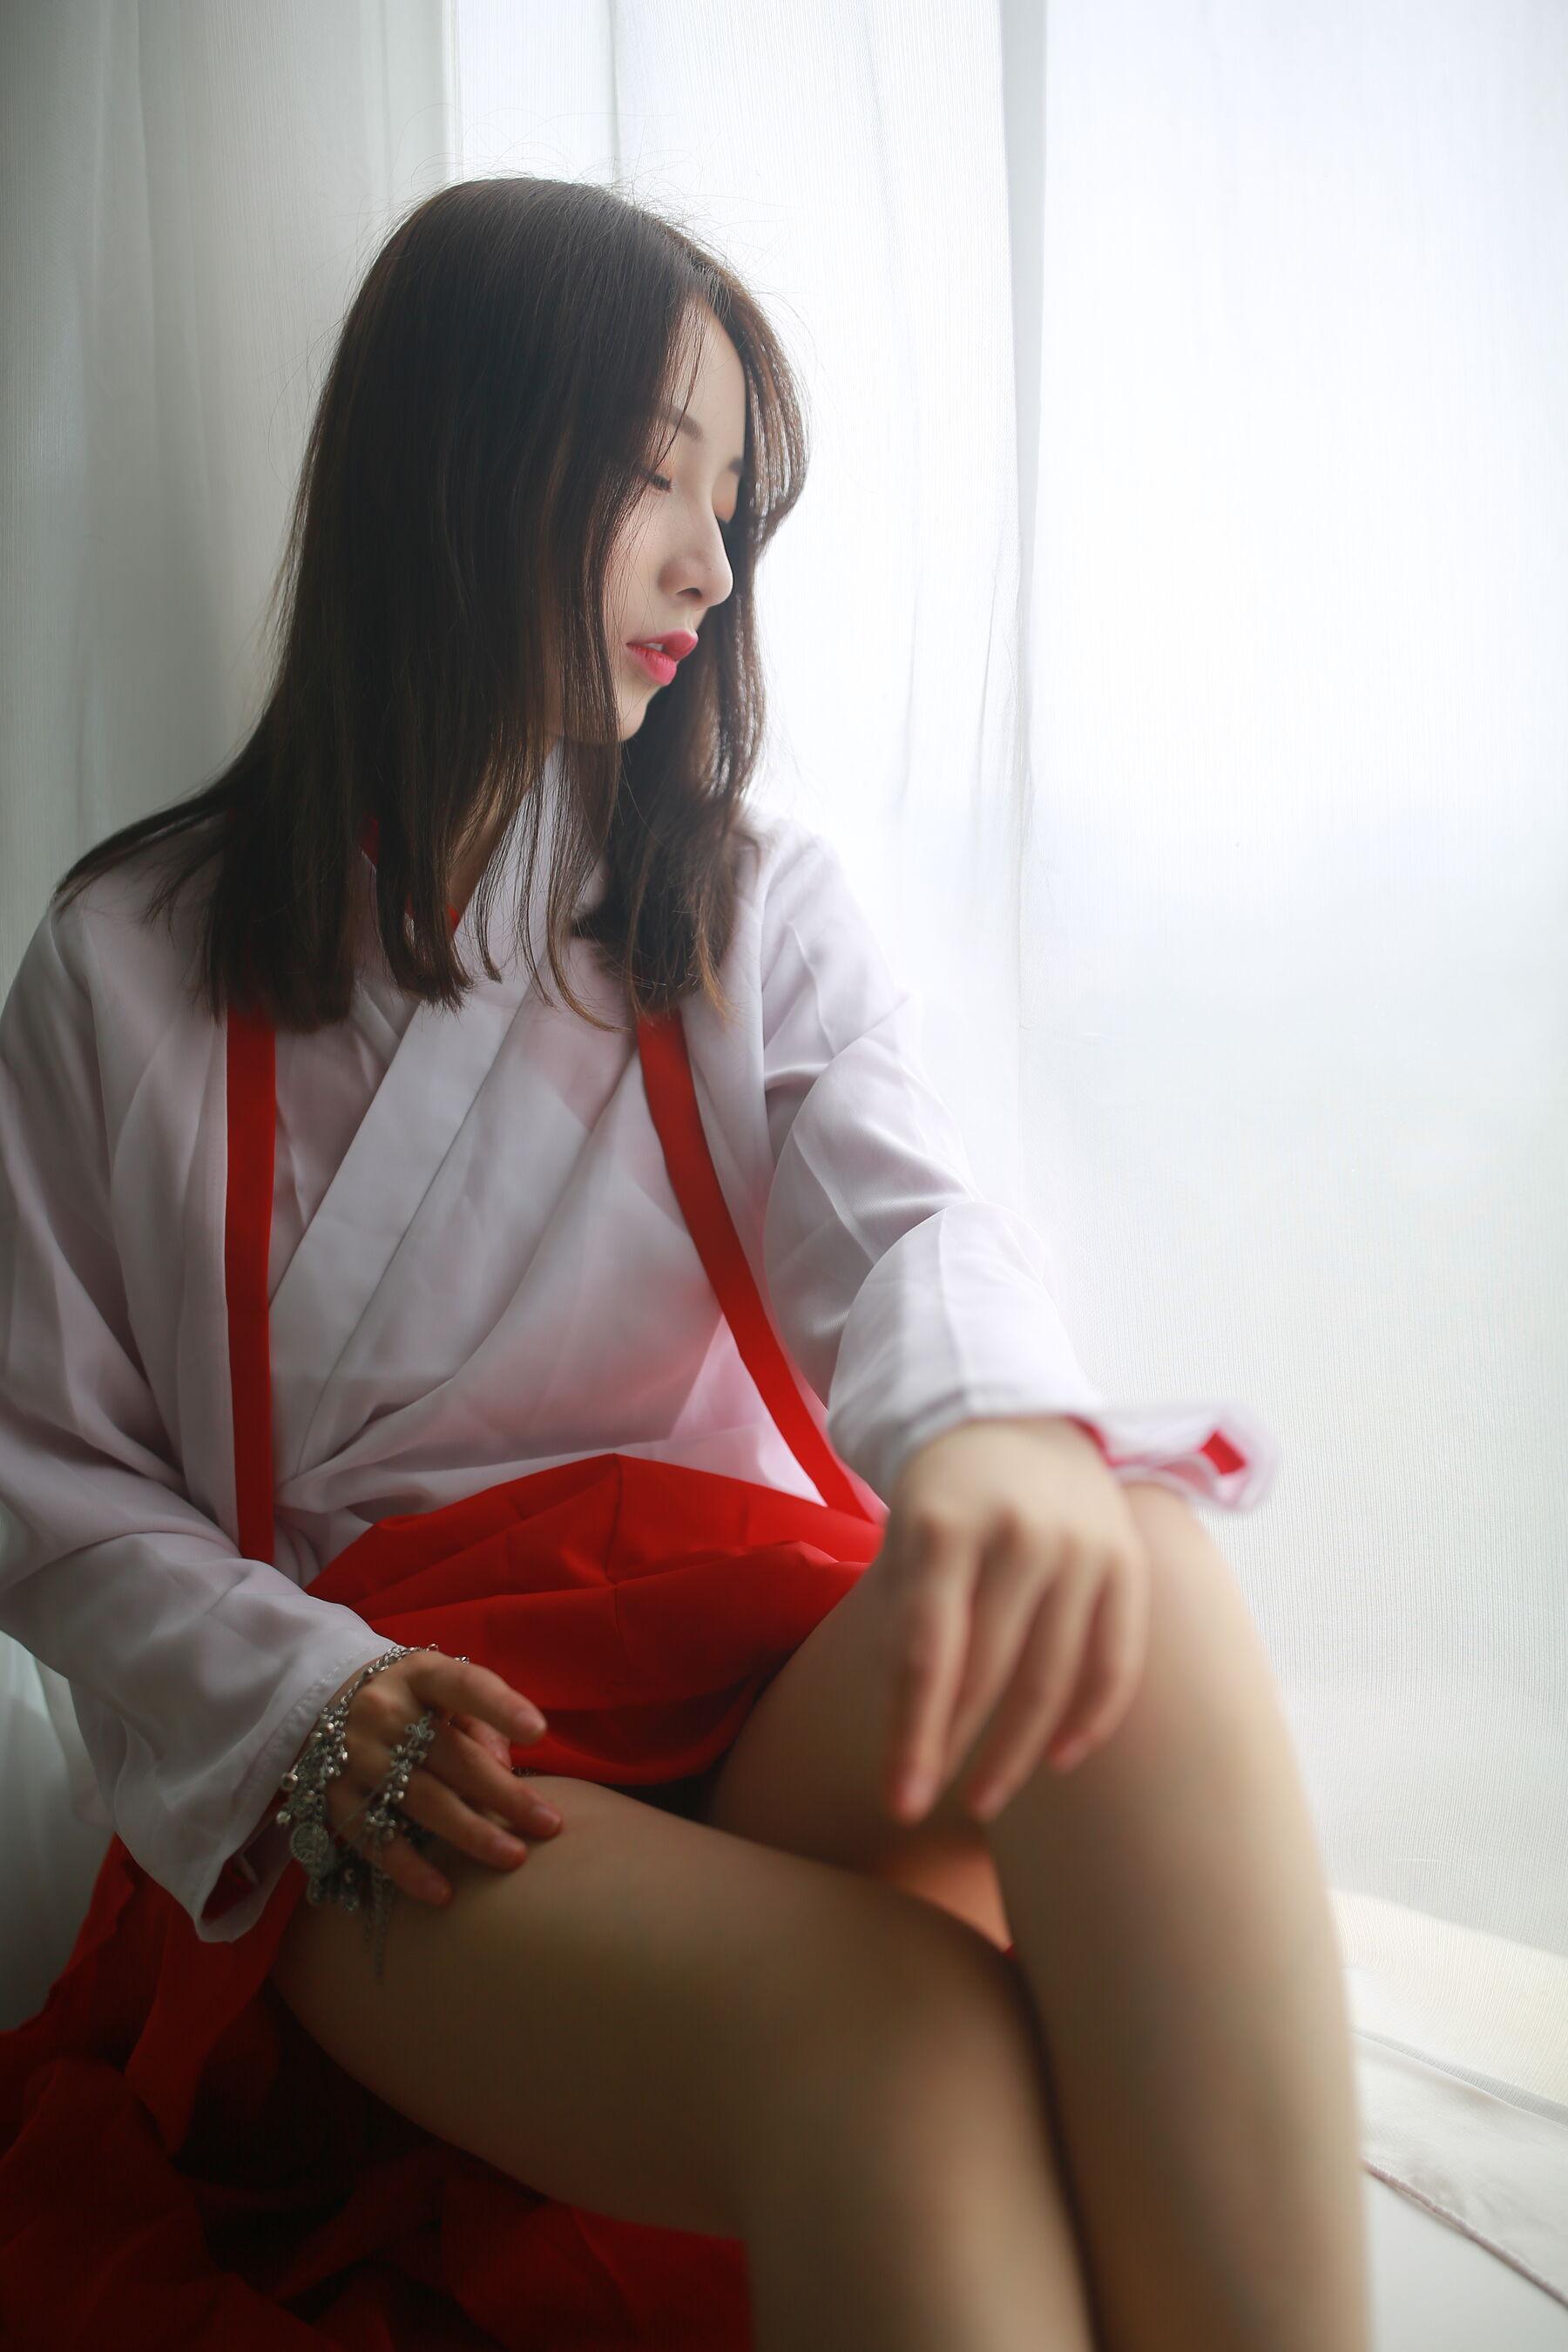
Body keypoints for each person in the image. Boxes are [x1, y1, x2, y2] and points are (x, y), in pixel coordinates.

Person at [0, 177, 1360, 2352]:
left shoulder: (737, 902)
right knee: (899, 2059)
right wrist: (299, 1702)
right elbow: (48, 1476)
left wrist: (989, 1437)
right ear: (459, 458)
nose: (712, 570)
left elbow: (908, 1216)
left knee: (1136, 1566)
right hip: (409, 1758)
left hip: (729, 1659)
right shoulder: (124, 963)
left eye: (733, 508)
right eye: (658, 478)